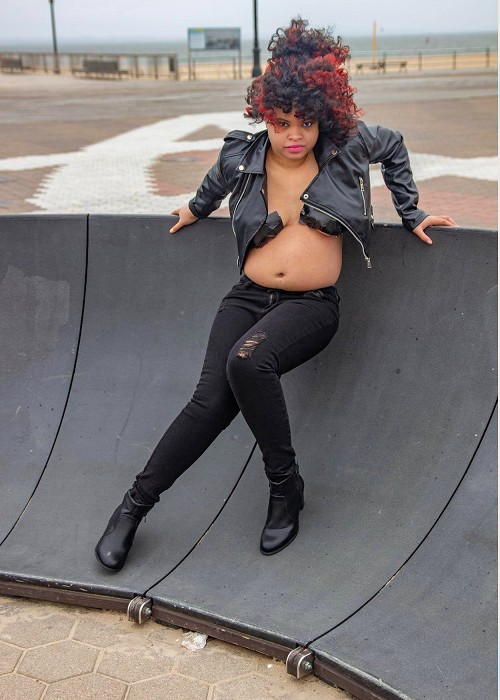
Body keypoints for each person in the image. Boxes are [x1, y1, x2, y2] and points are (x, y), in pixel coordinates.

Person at [95, 18, 456, 571]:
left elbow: (396, 146)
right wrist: (194, 208)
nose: (294, 135)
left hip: (311, 306)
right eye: (282, 122)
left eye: (306, 123)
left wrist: (411, 212)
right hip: (247, 296)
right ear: (264, 115)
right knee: (209, 402)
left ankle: (284, 487)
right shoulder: (244, 154)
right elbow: (215, 182)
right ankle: (133, 508)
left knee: (248, 361)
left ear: (323, 115)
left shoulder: (348, 147)